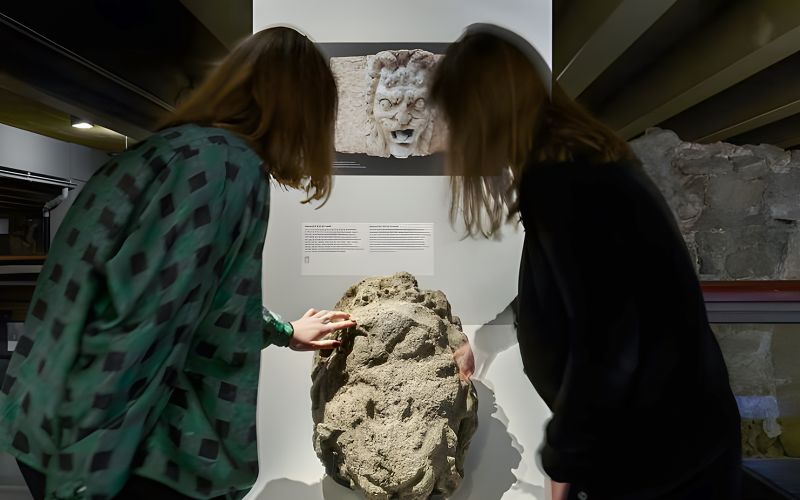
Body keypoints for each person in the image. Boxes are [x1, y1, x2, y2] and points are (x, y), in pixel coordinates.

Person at [0, 26, 356, 500]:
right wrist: (86, 476)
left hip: (52, 424)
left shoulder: (175, 151)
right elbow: (142, 323)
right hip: (122, 457)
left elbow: (188, 296)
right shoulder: (226, 168)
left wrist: (284, 331)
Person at [430, 24, 742, 500]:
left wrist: (565, 458)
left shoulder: (564, 183)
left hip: (658, 460)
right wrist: (492, 336)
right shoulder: (578, 166)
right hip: (668, 445)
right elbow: (572, 290)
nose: (449, 137)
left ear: (484, 111)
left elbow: (608, 341)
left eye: (453, 117)